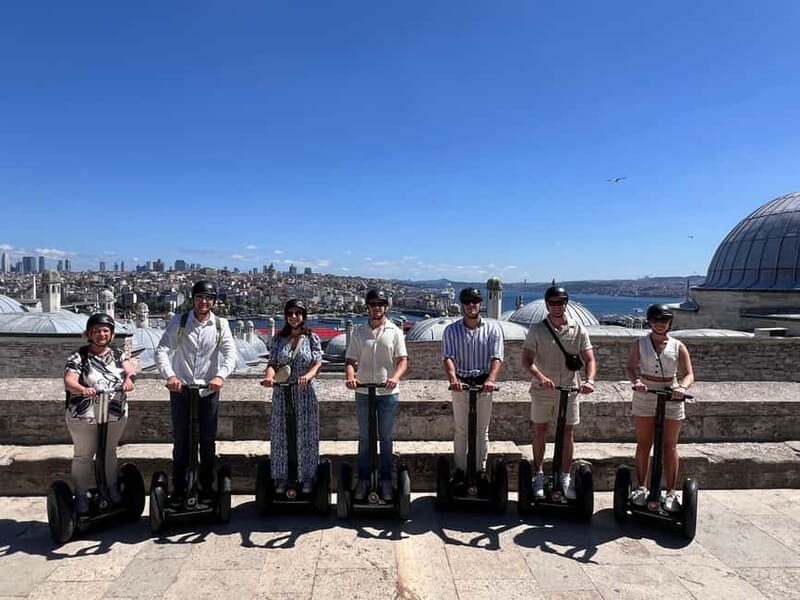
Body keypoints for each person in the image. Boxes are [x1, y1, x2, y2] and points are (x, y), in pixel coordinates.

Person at [155, 280, 236, 504]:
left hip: (207, 391)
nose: (204, 301)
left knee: (207, 442)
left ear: (214, 302)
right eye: (200, 297)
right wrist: (170, 376)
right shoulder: (179, 322)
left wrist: (220, 376)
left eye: (208, 298)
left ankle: (207, 487)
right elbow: (162, 350)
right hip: (181, 390)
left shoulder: (220, 325)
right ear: (193, 299)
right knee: (181, 442)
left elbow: (230, 355)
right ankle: (180, 488)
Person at [521, 285, 596, 500]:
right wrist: (540, 377)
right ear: (547, 304)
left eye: (560, 302)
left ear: (566, 304)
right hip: (543, 390)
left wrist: (590, 381)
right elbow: (526, 360)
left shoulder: (578, 329)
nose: (557, 306)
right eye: (553, 303)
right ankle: (538, 474)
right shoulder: (537, 329)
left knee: (567, 434)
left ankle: (564, 476)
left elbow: (589, 358)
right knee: (540, 431)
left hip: (570, 389)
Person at [63, 313, 136, 514]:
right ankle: (80, 495)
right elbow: (70, 380)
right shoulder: (79, 357)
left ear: (111, 334)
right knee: (84, 455)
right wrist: (81, 389)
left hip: (114, 411)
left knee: (109, 451)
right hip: (84, 413)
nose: (101, 334)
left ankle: (111, 489)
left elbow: (130, 370)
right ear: (89, 334)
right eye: (96, 331)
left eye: (105, 330)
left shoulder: (119, 355)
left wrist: (129, 379)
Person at [625, 303, 694, 512]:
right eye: (656, 320)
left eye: (663, 320)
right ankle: (642, 487)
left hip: (672, 395)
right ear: (649, 322)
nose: (660, 324)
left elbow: (689, 373)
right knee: (644, 443)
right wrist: (636, 381)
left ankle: (671, 491)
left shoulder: (678, 346)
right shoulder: (640, 344)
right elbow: (630, 367)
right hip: (646, 393)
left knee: (669, 445)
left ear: (669, 322)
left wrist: (682, 387)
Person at [345, 289, 409, 501]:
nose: (377, 308)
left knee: (386, 438)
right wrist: (351, 377)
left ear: (386, 307)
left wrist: (395, 378)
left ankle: (386, 481)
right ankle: (363, 480)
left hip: (388, 392)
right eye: (373, 304)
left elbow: (402, 360)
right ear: (368, 307)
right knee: (365, 438)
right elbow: (351, 360)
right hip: (363, 391)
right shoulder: (359, 332)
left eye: (381, 304)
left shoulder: (395, 331)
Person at [261, 299, 323, 495]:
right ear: (286, 316)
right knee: (280, 435)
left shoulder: (312, 338)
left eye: (298, 313)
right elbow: (272, 363)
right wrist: (270, 377)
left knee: (306, 435)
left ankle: (307, 477)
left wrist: (308, 376)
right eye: (290, 313)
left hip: (305, 392)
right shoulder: (278, 339)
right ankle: (281, 477)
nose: (294, 317)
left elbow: (317, 363)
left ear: (303, 316)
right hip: (282, 392)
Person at [441, 287, 503, 481]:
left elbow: (497, 357)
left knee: (481, 431)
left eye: (475, 301)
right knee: (461, 430)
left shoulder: (493, 329)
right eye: (467, 301)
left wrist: (491, 379)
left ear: (480, 303)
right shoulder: (451, 330)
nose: (471, 305)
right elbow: (448, 357)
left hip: (483, 384)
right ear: (462, 305)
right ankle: (460, 470)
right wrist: (453, 380)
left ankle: (480, 470)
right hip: (462, 384)